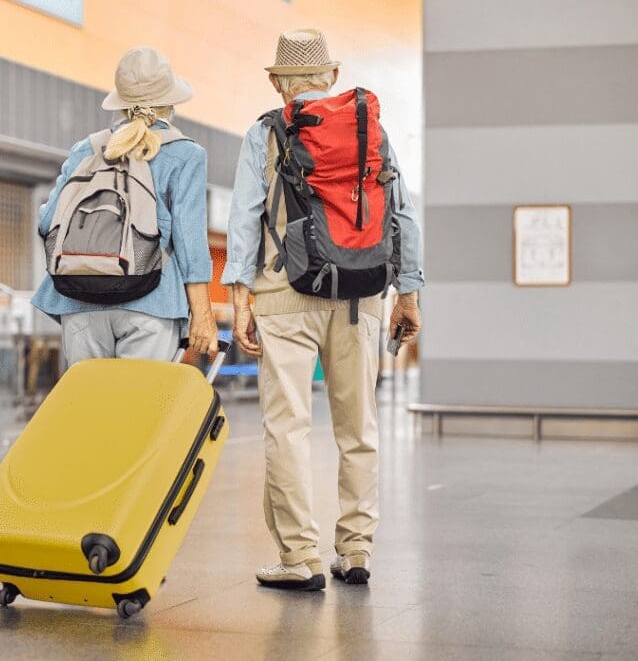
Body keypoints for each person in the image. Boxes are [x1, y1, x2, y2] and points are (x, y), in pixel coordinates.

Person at [221, 29, 424, 590]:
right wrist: (407, 292)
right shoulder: (371, 128)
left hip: (285, 294)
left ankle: (300, 558)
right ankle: (355, 552)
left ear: (276, 82)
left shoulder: (265, 132)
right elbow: (403, 214)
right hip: (363, 295)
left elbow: (243, 218)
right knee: (359, 429)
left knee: (287, 428)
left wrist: (240, 298)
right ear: (332, 77)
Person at [33, 47, 218, 366]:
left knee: (92, 411)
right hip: (152, 303)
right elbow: (190, 245)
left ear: (121, 103)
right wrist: (203, 317)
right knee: (141, 412)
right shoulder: (186, 154)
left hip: (80, 303)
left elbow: (47, 222)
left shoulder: (87, 149)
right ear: (169, 103)